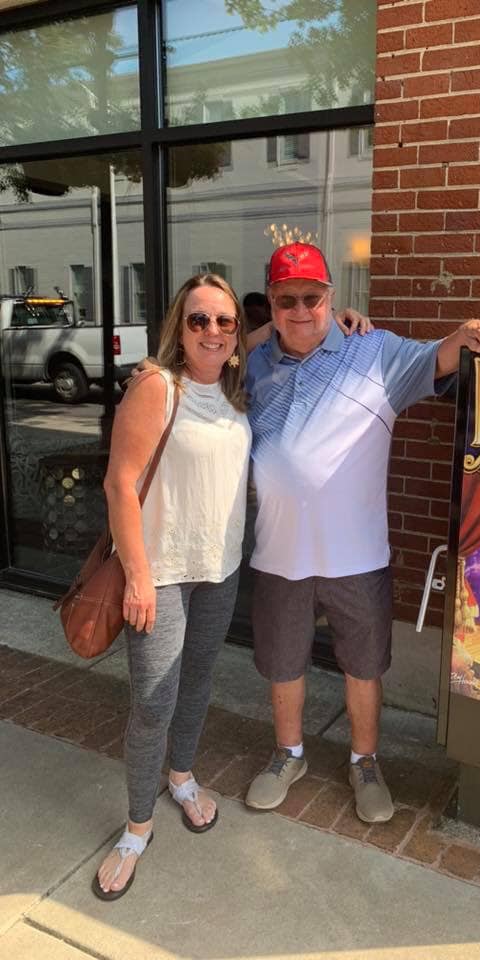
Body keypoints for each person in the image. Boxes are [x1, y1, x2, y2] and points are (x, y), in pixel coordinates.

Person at [94, 274, 370, 900]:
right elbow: (119, 484)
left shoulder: (238, 389)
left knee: (197, 682)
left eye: (223, 321)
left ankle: (183, 776)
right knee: (152, 703)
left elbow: (266, 332)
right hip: (159, 575)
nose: (212, 332)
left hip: (218, 569)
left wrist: (336, 316)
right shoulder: (157, 387)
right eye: (198, 321)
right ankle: (137, 828)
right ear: (178, 327)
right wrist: (137, 574)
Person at [243, 241, 480, 824]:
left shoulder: (373, 350)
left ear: (330, 296)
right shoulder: (255, 363)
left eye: (312, 298)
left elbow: (438, 357)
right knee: (283, 662)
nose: (300, 310)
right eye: (286, 299)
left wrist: (467, 331)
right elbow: (211, 359)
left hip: (357, 554)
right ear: (271, 303)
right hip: (277, 551)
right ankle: (288, 754)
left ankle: (365, 762)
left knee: (364, 664)